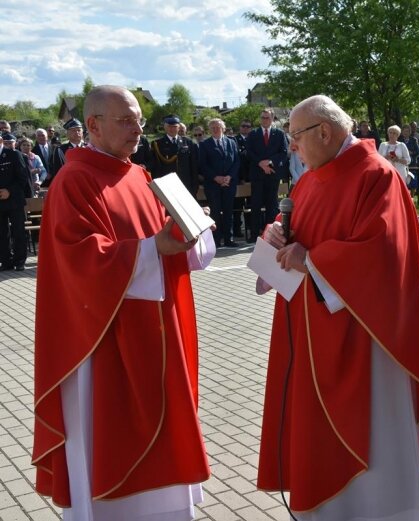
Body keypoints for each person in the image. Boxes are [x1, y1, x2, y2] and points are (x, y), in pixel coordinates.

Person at [256, 94, 419, 520]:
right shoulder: (311, 179)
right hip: (313, 336)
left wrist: (312, 259)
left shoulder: (376, 176)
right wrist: (276, 235)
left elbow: (384, 252)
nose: (291, 147)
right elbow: (295, 228)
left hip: (367, 342)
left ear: (325, 132)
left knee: (374, 456)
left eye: (294, 137)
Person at [32, 85, 215, 520]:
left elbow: (167, 240)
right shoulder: (73, 181)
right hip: (104, 340)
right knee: (109, 444)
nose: (138, 129)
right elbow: (79, 260)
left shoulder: (139, 175)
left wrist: (189, 237)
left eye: (140, 120)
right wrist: (154, 249)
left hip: (156, 333)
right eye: (126, 120)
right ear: (92, 126)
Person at [245, 108, 288, 242]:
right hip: (257, 175)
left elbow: (284, 152)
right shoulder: (253, 134)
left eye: (267, 118)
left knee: (272, 205)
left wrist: (269, 162)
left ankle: (271, 235)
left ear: (272, 118)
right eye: (262, 117)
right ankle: (254, 235)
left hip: (273, 174)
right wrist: (261, 163)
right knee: (256, 205)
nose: (264, 120)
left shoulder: (279, 134)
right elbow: (248, 152)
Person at [199, 118, 240, 247]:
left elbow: (237, 161)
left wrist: (229, 177)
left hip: (229, 183)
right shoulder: (204, 145)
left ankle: (229, 238)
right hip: (212, 185)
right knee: (215, 212)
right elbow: (202, 165)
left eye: (218, 127)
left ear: (223, 128)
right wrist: (216, 178)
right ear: (209, 130)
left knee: (228, 212)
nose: (215, 129)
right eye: (213, 128)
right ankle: (216, 240)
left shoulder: (232, 142)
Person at [151, 115, 200, 197]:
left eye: (174, 126)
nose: (172, 129)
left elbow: (193, 166)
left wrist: (195, 185)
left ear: (179, 127)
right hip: (166, 185)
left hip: (185, 184)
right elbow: (155, 167)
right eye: (169, 126)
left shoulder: (188, 143)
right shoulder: (157, 144)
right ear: (165, 127)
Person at [0, 131, 29, 271]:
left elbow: (22, 178)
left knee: (18, 231)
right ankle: (5, 261)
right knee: (2, 233)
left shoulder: (14, 154)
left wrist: (9, 191)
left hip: (14, 201)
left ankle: (19, 261)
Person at [45, 118, 85, 186]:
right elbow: (58, 171)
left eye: (79, 130)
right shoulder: (60, 150)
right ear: (67, 134)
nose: (77, 133)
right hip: (69, 184)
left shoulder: (89, 147)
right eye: (73, 130)